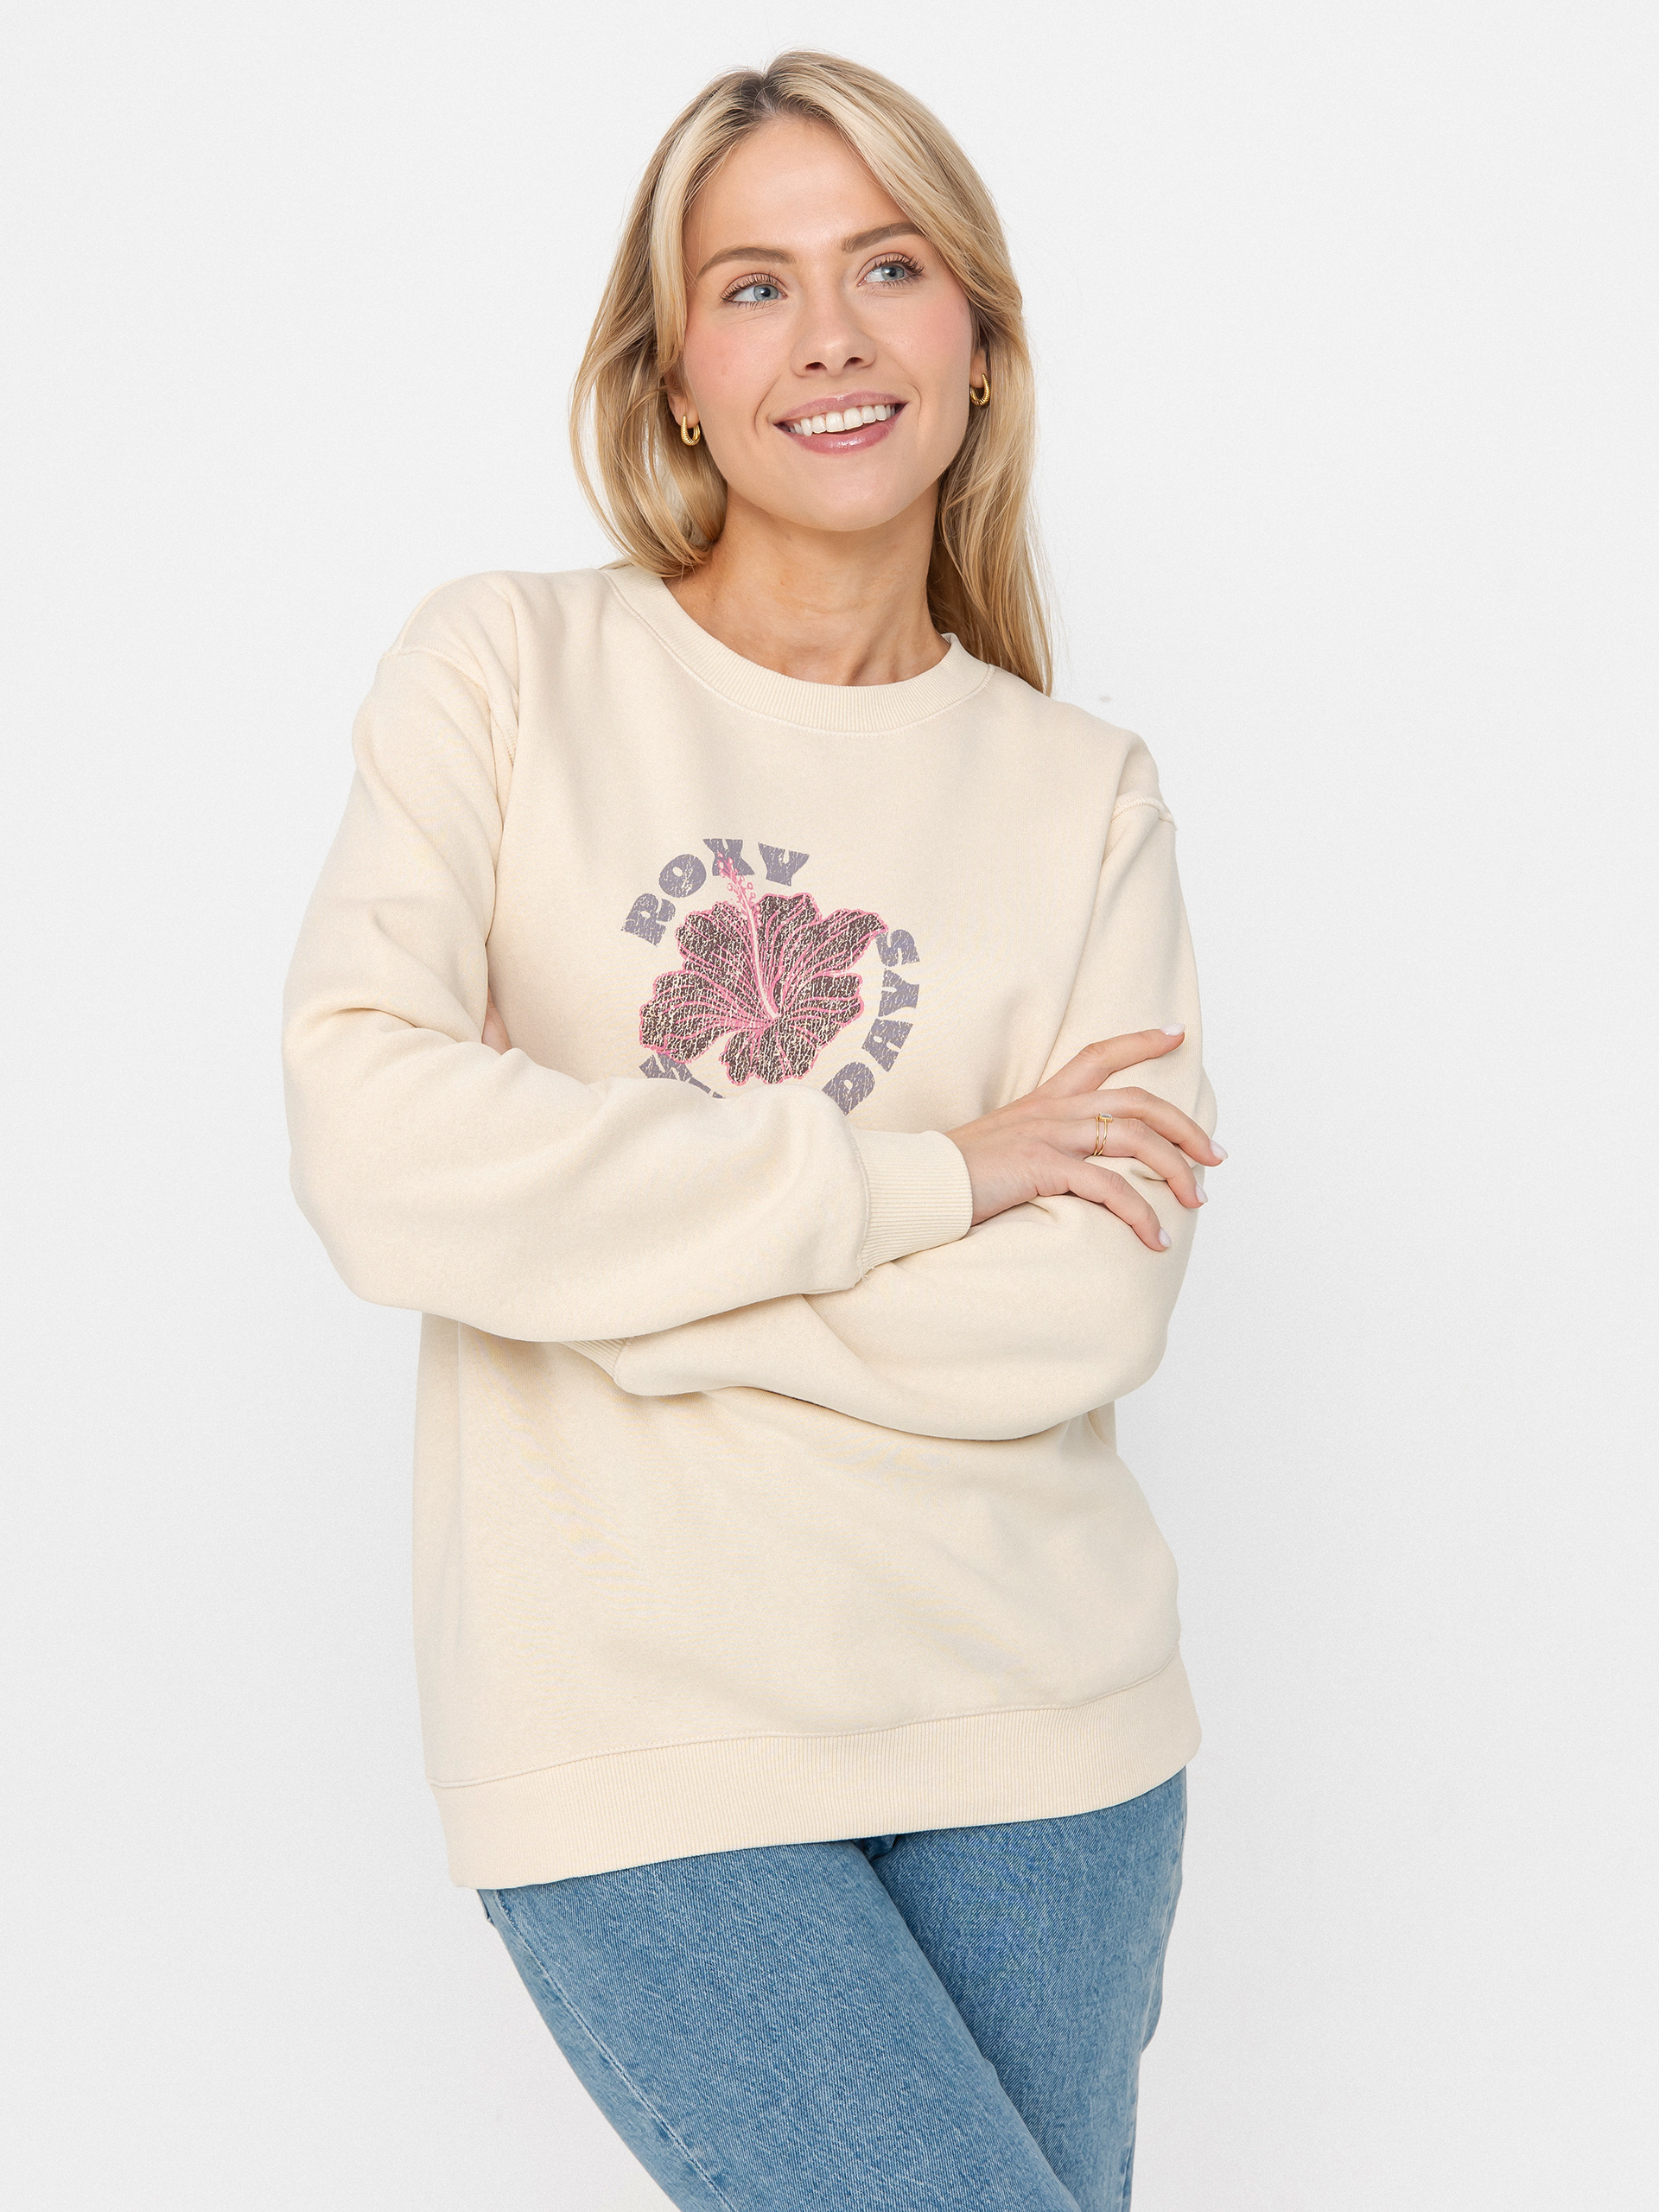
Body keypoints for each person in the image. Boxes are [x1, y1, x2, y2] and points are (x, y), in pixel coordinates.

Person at [283, 49, 1223, 2212]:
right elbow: (373, 1149)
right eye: (753, 285)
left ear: (975, 341)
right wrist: (934, 1178)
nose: (830, 337)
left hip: (1047, 1735)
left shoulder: (1084, 792)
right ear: (675, 379)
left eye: (889, 267)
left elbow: (1085, 1308)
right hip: (637, 1743)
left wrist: (586, 1258)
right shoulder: (504, 673)